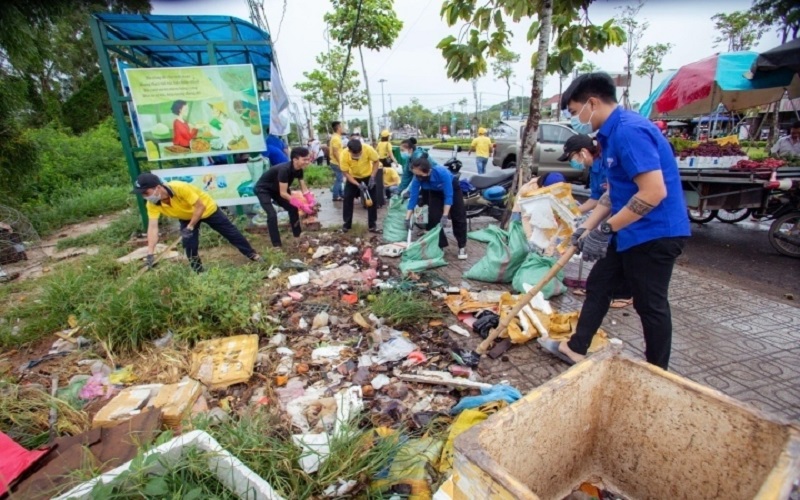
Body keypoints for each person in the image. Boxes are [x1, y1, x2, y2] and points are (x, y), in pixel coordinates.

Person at [544, 72, 690, 370]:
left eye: (574, 112)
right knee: (599, 283)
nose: (576, 119)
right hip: (631, 231)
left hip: (656, 233)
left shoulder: (629, 131)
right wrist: (586, 227)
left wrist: (607, 229)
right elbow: (615, 193)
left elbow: (653, 192)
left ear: (592, 103)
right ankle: (576, 348)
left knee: (650, 305)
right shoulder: (610, 137)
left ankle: (657, 371)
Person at [558, 134, 634, 308]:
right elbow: (595, 200)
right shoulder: (593, 169)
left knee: (623, 253)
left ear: (583, 152)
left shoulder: (608, 165)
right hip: (607, 214)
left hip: (624, 215)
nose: (573, 162)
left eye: (572, 157)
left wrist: (600, 227)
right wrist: (572, 212)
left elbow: (614, 197)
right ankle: (598, 288)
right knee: (608, 254)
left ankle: (626, 293)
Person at [131, 173, 263, 273]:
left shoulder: (180, 188)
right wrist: (150, 253)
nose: (144, 196)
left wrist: (190, 226)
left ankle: (253, 255)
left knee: (230, 233)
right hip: (186, 217)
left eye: (146, 192)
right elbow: (152, 228)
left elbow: (200, 207)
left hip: (207, 209)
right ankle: (198, 272)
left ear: (158, 187)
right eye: (142, 194)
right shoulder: (152, 204)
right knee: (189, 244)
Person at [404, 156, 468, 260]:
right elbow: (413, 199)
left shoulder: (442, 173)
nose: (418, 177)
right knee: (433, 218)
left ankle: (462, 246)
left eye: (420, 175)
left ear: (428, 171)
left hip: (452, 189)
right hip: (435, 192)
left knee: (458, 217)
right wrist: (407, 218)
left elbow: (449, 196)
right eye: (416, 175)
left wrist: (445, 215)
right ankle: (440, 245)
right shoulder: (417, 178)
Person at [255, 147, 315, 248]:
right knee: (272, 214)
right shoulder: (284, 170)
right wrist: (301, 205)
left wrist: (310, 200)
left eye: (308, 159)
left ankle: (298, 237)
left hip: (277, 189)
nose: (307, 162)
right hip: (264, 189)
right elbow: (283, 193)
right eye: (304, 159)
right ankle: (276, 245)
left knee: (293, 208)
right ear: (295, 160)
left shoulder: (299, 170)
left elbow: (303, 188)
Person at [340, 139, 381, 233]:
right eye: (355, 155)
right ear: (349, 151)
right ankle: (347, 225)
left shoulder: (368, 149)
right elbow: (346, 173)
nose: (358, 156)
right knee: (347, 198)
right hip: (353, 177)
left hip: (368, 176)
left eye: (359, 153)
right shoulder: (344, 155)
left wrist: (373, 177)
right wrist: (357, 184)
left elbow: (376, 161)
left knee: (372, 200)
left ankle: (372, 225)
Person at [328, 121, 345, 202]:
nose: (342, 129)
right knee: (339, 180)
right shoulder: (335, 138)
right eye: (341, 127)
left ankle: (340, 194)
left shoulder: (337, 137)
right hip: (336, 162)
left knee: (340, 179)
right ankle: (335, 196)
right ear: (338, 128)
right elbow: (335, 152)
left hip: (336, 162)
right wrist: (340, 162)